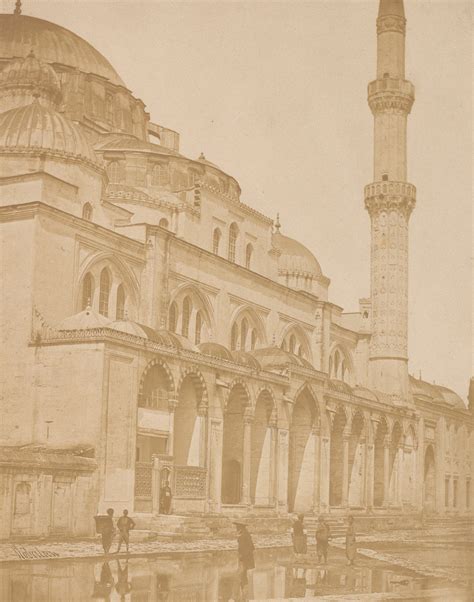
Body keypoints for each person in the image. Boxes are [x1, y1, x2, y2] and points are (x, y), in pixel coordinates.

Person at [234, 522, 255, 599]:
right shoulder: (246, 534)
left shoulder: (243, 535)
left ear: (241, 528)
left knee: (240, 573)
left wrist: (242, 556)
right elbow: (252, 547)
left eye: (237, 528)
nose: (236, 529)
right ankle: (244, 593)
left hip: (244, 558)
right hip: (245, 557)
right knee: (243, 574)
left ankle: (240, 594)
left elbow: (248, 547)